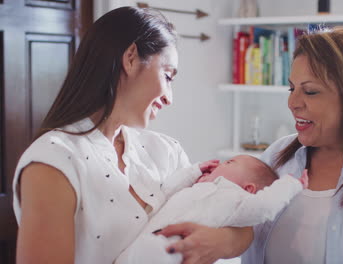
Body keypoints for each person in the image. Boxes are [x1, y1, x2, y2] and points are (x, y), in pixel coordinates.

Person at [158, 28, 343, 263]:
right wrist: (224, 241)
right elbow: (238, 217)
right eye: (292, 88)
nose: (292, 103)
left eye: (310, 92)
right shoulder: (276, 157)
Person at [12, 7, 250, 264]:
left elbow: (233, 217)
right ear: (131, 58)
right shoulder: (54, 162)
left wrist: (222, 242)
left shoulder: (166, 152)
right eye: (167, 76)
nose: (170, 98)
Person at [115, 155, 308, 264]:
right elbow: (165, 190)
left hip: (171, 252)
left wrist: (291, 185)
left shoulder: (236, 200)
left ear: (248, 188)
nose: (222, 163)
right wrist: (193, 171)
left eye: (230, 163)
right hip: (141, 245)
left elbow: (265, 206)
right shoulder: (194, 186)